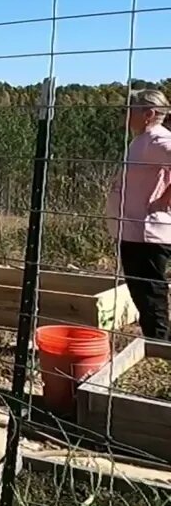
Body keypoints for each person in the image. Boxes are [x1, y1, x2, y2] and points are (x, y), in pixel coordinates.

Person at [107, 89, 171, 339]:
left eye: (129, 109)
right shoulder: (144, 139)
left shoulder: (157, 140)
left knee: (149, 294)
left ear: (149, 114)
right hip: (136, 230)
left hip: (146, 233)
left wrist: (164, 200)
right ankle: (158, 342)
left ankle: (159, 346)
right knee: (145, 293)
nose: (125, 114)